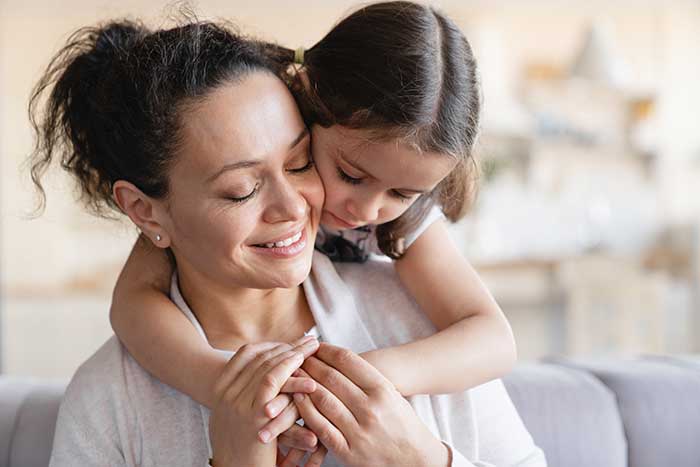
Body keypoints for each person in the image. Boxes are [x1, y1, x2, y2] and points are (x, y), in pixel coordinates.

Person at [30, 16, 545, 467]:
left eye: (299, 163)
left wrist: (422, 460)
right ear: (145, 211)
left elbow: (493, 339)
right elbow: (132, 303)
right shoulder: (112, 396)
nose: (294, 206)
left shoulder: (415, 318)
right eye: (241, 190)